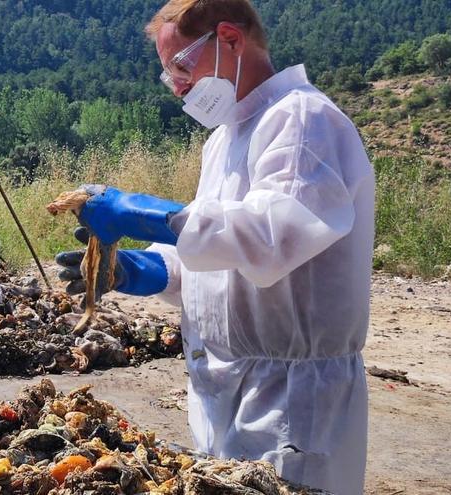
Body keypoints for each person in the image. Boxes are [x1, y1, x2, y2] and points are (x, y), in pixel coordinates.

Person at [56, 1, 374, 493]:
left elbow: (269, 237)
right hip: (223, 386)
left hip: (291, 400)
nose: (177, 84)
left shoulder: (302, 120)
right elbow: (218, 254)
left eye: (181, 66)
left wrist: (147, 213)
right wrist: (143, 271)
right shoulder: (224, 140)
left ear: (229, 39)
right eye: (168, 74)